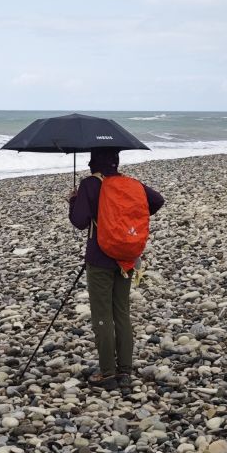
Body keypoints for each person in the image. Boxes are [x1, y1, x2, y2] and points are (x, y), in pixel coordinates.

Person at [67, 148, 165, 389]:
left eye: (91, 159)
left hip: (99, 257)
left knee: (102, 315)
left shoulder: (91, 184)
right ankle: (125, 371)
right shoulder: (130, 183)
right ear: (116, 161)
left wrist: (74, 201)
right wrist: (131, 215)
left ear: (94, 162)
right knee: (121, 313)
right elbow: (157, 201)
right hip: (126, 257)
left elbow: (79, 221)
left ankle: (107, 373)